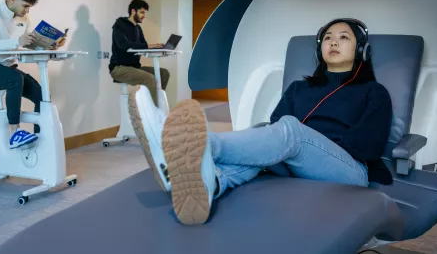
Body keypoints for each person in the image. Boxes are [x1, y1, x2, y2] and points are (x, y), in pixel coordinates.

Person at [127, 18, 393, 225]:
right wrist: (291, 147)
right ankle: (211, 184)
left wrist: (311, 142)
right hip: (295, 161)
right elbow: (275, 128)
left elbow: (368, 145)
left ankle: (196, 143)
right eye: (327, 38)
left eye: (343, 37)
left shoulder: (374, 92)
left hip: (350, 170)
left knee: (290, 131)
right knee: (261, 144)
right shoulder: (299, 88)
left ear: (361, 50)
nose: (333, 42)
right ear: (319, 47)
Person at [0, 0, 66, 149]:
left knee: (40, 94)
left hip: (7, 68)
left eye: (29, 7)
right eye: (25, 6)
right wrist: (17, 40)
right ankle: (15, 133)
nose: (27, 11)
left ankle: (39, 138)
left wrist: (51, 45)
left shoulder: (25, 19)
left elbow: (27, 44)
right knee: (15, 79)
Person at [109, 0, 170, 105]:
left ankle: (156, 104)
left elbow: (143, 47)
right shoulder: (120, 24)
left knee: (163, 73)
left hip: (134, 67)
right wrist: (150, 45)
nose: (143, 16)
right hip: (119, 68)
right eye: (141, 12)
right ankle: (154, 112)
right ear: (133, 11)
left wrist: (159, 48)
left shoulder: (138, 29)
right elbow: (123, 45)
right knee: (150, 78)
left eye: (144, 13)